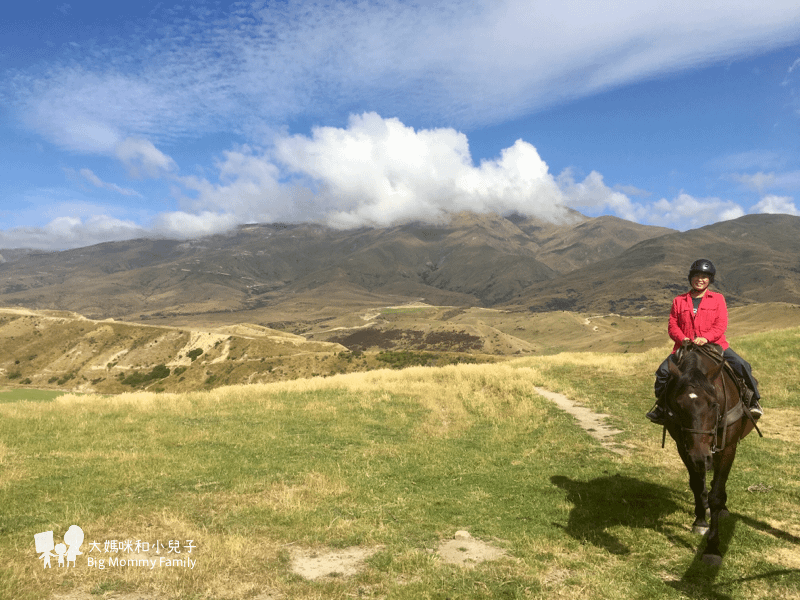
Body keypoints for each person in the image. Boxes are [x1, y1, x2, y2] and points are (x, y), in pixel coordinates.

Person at [647, 258, 763, 425]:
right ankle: (662, 408)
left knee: (742, 365)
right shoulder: (678, 301)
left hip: (714, 345)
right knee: (663, 372)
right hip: (685, 348)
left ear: (710, 280)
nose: (700, 279)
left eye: (704, 276)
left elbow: (721, 324)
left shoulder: (717, 299)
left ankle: (753, 402)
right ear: (690, 278)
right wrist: (683, 338)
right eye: (696, 276)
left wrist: (706, 337)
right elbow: (673, 325)